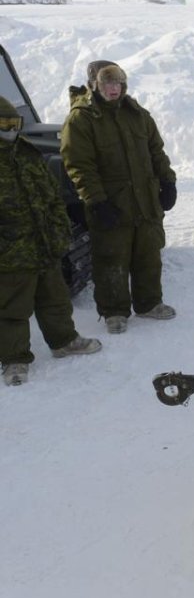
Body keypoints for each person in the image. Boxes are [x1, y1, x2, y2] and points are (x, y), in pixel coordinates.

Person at [61, 61, 177, 335]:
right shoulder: (82, 119)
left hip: (144, 199)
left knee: (148, 253)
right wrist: (96, 201)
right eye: (106, 84)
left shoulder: (136, 113)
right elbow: (79, 165)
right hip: (111, 201)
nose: (113, 90)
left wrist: (168, 181)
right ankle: (114, 312)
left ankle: (149, 303)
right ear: (94, 86)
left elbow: (155, 151)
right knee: (111, 256)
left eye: (118, 84)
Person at [0, 95, 102, 385]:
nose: (10, 129)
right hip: (10, 253)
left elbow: (52, 197)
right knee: (12, 309)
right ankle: (15, 360)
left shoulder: (27, 153)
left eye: (14, 123)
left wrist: (59, 230)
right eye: (4, 124)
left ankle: (64, 341)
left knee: (54, 298)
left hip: (43, 244)